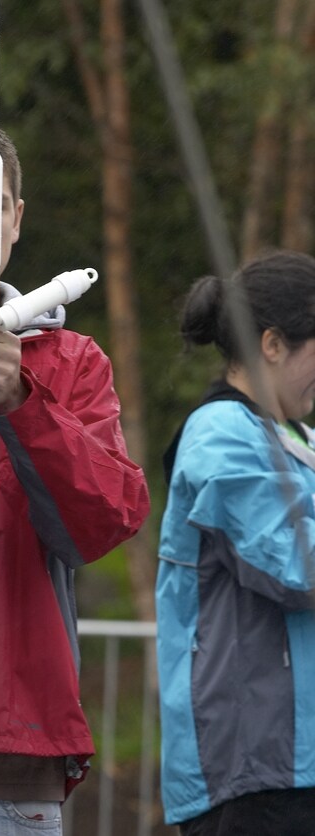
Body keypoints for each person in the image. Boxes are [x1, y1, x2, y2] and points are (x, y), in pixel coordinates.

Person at [0, 128, 150, 835]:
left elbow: (106, 518)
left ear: (17, 218)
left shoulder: (72, 360)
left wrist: (20, 400)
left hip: (14, 753)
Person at [156, 250, 315, 836]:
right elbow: (298, 566)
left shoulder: (295, 436)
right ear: (272, 344)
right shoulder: (221, 436)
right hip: (255, 770)